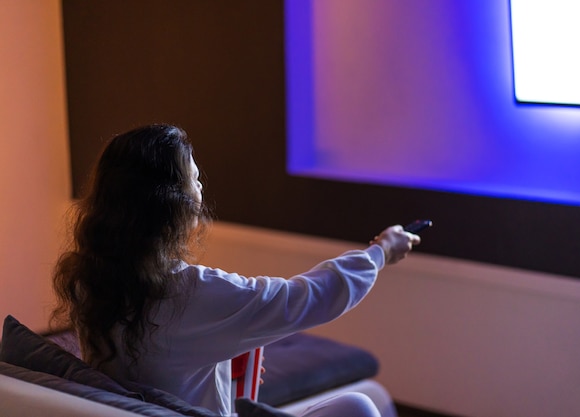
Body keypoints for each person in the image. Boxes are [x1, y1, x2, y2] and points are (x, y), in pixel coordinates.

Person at [51, 124, 422, 417]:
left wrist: (225, 371)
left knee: (369, 397)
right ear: (170, 206)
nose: (200, 187)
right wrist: (381, 252)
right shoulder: (192, 293)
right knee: (360, 406)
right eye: (193, 180)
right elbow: (309, 296)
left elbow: (161, 364)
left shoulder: (90, 282)